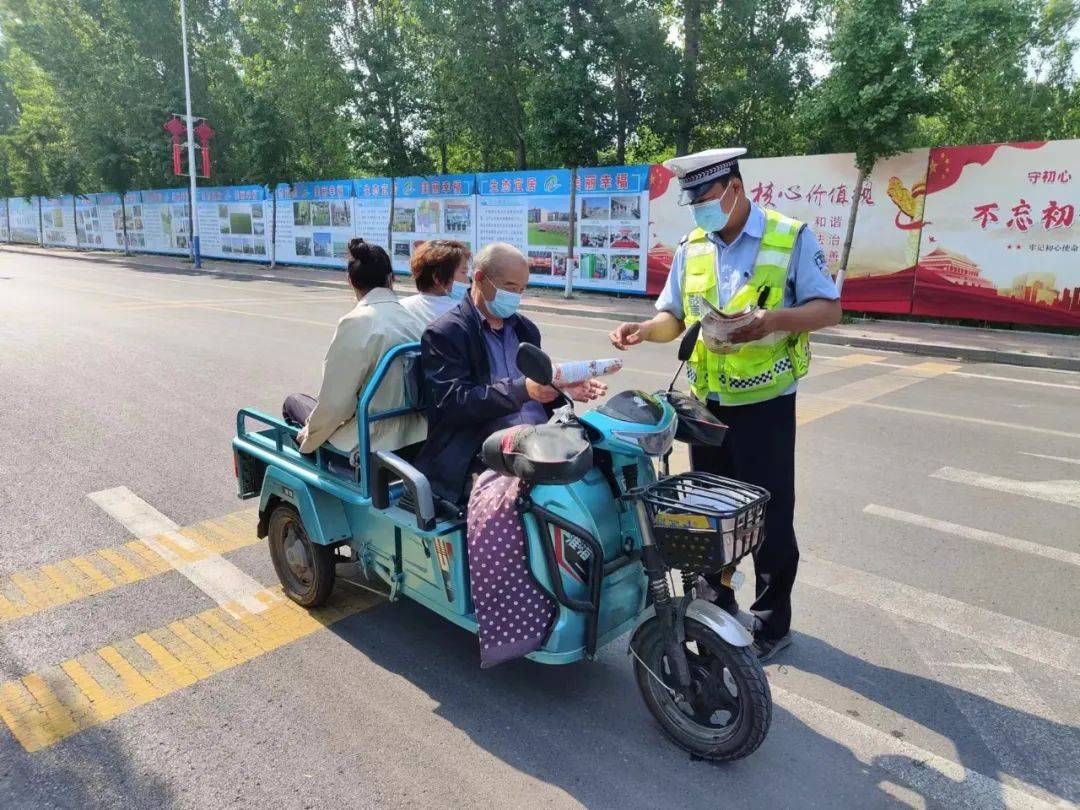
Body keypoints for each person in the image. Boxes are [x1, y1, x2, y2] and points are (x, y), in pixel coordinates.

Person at [609, 147, 842, 661]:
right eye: (692, 204)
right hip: (707, 405)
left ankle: (770, 620)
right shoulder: (692, 247)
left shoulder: (789, 236)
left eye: (707, 199)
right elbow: (674, 317)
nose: (700, 212)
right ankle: (715, 601)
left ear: (734, 187)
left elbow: (829, 308)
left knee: (770, 513)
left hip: (765, 403)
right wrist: (644, 330)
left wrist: (771, 321)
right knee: (711, 511)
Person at [416, 242, 606, 504]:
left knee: (605, 470)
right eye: (509, 287)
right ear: (480, 279)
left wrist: (560, 390)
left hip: (537, 442)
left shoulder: (525, 330)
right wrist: (523, 390)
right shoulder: (446, 333)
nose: (516, 296)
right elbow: (453, 402)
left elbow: (538, 388)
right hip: (481, 452)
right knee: (538, 509)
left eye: (521, 289)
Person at [283, 238, 426, 461]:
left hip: (371, 440)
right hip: (417, 434)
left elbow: (337, 403)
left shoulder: (356, 322)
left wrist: (310, 436)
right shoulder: (413, 319)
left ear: (350, 281)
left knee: (293, 402)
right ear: (391, 278)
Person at [399, 238, 472, 324]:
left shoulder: (401, 307)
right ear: (437, 277)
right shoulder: (462, 313)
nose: (467, 280)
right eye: (464, 272)